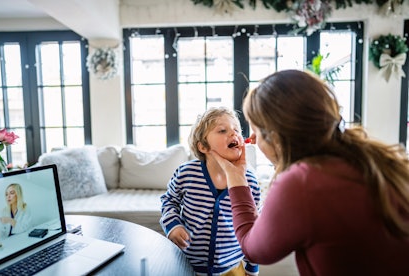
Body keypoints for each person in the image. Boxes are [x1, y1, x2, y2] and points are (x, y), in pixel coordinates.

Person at [210, 69, 409, 276]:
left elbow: (254, 250)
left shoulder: (301, 184)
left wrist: (236, 177)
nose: (252, 139)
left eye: (257, 131)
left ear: (276, 137)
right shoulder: (373, 158)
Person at [160, 107, 261, 276]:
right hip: (188, 265)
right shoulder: (187, 173)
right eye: (222, 130)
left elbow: (254, 225)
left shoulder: (249, 179)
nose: (233, 134)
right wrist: (173, 225)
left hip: (232, 267)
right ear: (203, 147)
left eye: (236, 129)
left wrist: (252, 267)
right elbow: (169, 200)